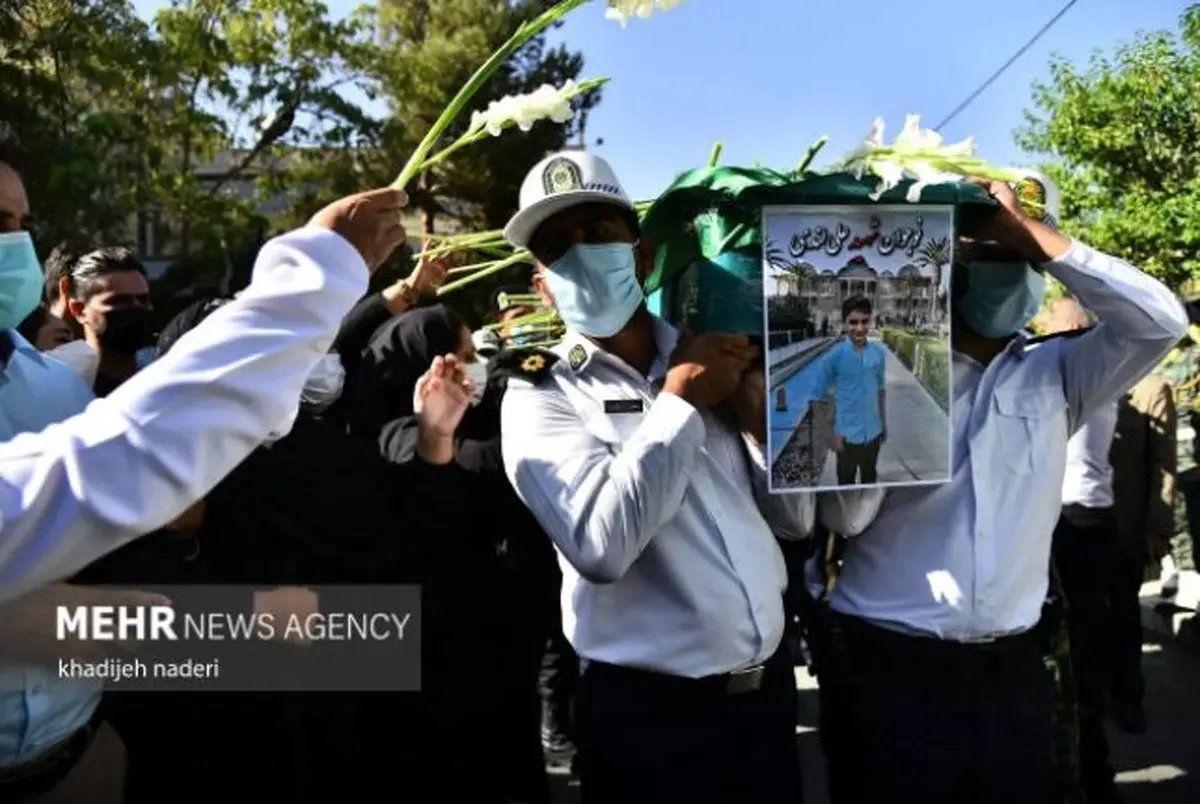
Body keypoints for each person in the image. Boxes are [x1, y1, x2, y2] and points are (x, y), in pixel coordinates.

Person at [813, 178, 1187, 804]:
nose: (999, 267)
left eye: (1012, 257)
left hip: (1013, 671)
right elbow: (846, 519)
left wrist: (1031, 236)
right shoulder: (886, 366)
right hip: (888, 667)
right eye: (980, 252)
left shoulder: (1059, 371)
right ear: (949, 266)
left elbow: (1160, 322)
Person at [499, 150, 814, 804]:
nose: (581, 255)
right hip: (651, 722)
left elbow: (797, 522)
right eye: (557, 248)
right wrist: (680, 402)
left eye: (598, 234)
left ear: (641, 257)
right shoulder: (539, 395)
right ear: (542, 286)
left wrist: (760, 426)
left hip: (764, 704)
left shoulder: (723, 351)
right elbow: (600, 546)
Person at [0, 185, 411, 605]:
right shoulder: (81, 381)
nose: (14, 245)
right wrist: (317, 275)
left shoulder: (55, 385)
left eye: (22, 226)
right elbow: (110, 467)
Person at [1042, 296, 1122, 804]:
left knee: (1071, 650)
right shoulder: (1103, 380)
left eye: (1049, 325)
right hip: (1089, 522)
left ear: (1067, 328)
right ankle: (1091, 767)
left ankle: (1084, 768)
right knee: (1087, 647)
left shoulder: (1069, 378)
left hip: (1068, 523)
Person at [1110, 370, 1176, 733]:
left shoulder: (1152, 388)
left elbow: (1164, 466)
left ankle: (1128, 701)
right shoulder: (1078, 377)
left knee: (1122, 619)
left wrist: (1157, 527)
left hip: (1125, 528)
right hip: (1074, 525)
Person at [806, 295, 888, 485]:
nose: (859, 328)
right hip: (846, 438)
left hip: (873, 434)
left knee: (870, 477)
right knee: (845, 482)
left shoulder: (878, 354)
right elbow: (815, 397)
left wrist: (884, 424)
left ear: (870, 320)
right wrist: (828, 435)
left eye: (864, 321)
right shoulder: (834, 357)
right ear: (844, 323)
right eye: (853, 322)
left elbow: (880, 391)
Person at [60, 248, 156, 396]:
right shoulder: (61, 385)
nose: (136, 308)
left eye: (143, 300)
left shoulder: (164, 376)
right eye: (119, 301)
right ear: (79, 310)